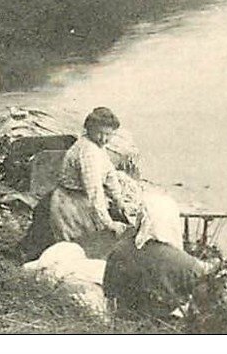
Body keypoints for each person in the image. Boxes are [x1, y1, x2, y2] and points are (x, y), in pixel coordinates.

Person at [16, 107, 134, 261]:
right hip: (69, 203)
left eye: (109, 134)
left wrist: (119, 200)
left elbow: (110, 175)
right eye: (100, 133)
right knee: (72, 245)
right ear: (89, 128)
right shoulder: (87, 152)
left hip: (79, 198)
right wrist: (108, 223)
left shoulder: (98, 147)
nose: (104, 138)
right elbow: (94, 191)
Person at [102, 189, 211, 318]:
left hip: (127, 324)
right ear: (172, 221)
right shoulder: (189, 265)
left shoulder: (119, 251)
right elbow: (203, 306)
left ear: (141, 219)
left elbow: (110, 295)